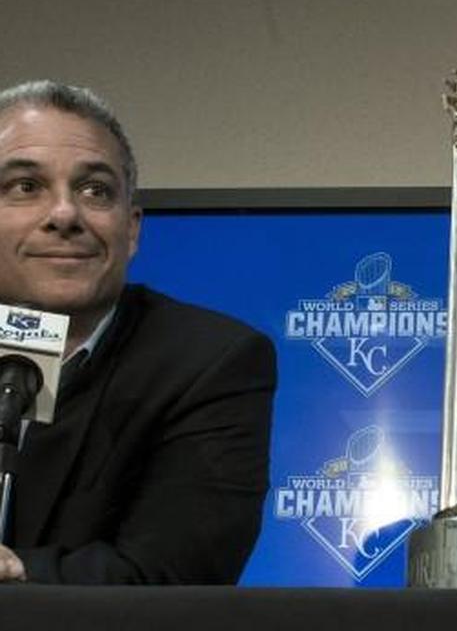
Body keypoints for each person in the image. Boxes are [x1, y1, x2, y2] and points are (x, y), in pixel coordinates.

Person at [0, 81, 275, 584]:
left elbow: (176, 573)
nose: (64, 214)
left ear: (132, 229)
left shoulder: (211, 361)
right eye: (25, 186)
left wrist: (20, 571)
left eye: (95, 190)